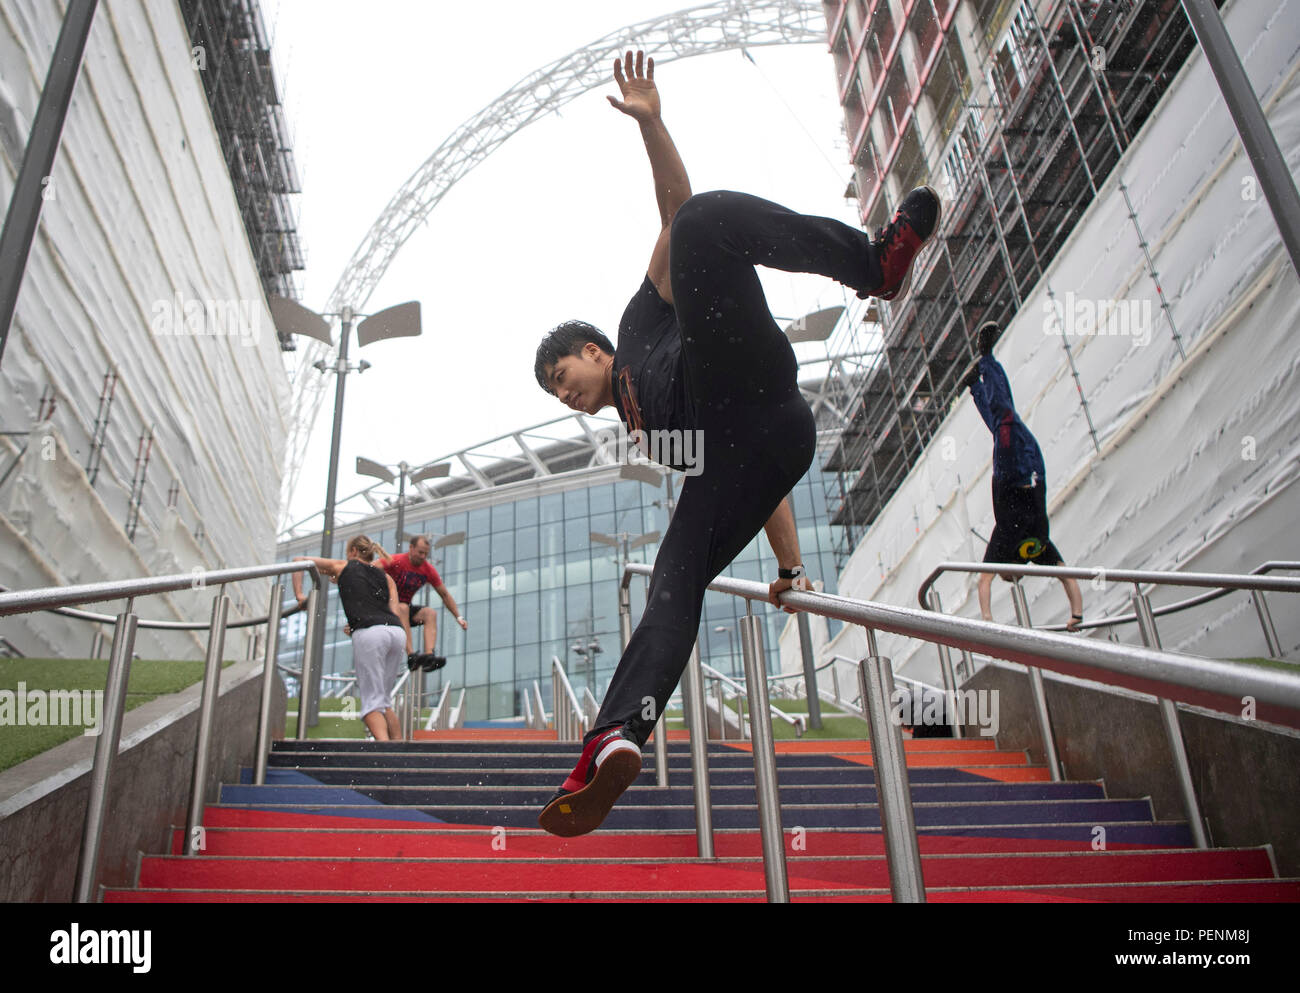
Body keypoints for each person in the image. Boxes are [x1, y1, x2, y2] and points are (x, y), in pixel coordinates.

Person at [531, 51, 942, 836]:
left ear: (591, 350)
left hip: (731, 366)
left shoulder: (636, 324)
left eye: (561, 375)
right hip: (770, 439)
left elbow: (675, 209)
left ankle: (871, 264)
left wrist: (652, 125)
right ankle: (615, 736)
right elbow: (745, 481)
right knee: (669, 584)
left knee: (700, 219)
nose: (564, 394)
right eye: (553, 392)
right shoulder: (646, 435)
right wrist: (789, 567)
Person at [961, 321, 1084, 631]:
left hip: (1020, 472)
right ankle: (976, 381)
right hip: (1029, 470)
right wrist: (1076, 616)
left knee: (1005, 419)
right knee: (1002, 424)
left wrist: (988, 621)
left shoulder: (1015, 548)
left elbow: (985, 582)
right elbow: (1064, 575)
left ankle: (986, 359)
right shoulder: (1033, 551)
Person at [292, 536, 416, 741]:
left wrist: (300, 596)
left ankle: (385, 752)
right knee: (384, 701)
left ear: (353, 552)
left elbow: (298, 561)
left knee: (371, 704)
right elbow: (392, 611)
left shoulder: (343, 566)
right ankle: (399, 751)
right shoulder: (386, 577)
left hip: (370, 633)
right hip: (396, 633)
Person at [375, 534, 469, 671]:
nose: (423, 556)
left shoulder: (427, 570)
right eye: (420, 552)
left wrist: (458, 617)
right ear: (411, 548)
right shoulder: (397, 561)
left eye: (426, 553)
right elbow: (369, 568)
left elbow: (444, 594)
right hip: (385, 609)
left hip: (403, 612)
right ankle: (411, 655)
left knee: (429, 613)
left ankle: (429, 657)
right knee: (403, 607)